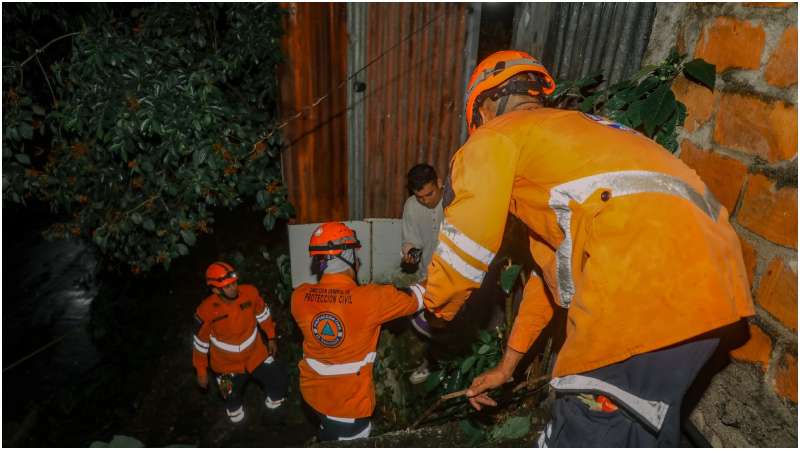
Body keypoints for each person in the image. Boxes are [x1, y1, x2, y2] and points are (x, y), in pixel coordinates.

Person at [421, 50, 754, 447]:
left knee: (582, 431)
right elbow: (551, 281)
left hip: (636, 291)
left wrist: (433, 312)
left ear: (485, 108)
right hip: (714, 294)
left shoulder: (496, 135)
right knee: (639, 428)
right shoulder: (585, 139)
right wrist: (508, 366)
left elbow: (466, 247)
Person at [291, 222, 426, 441]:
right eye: (354, 252)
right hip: (349, 409)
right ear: (346, 254)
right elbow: (420, 296)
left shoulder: (299, 297)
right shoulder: (370, 299)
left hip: (312, 395)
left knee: (327, 433)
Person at [192, 261, 288, 424]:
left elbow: (263, 314)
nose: (234, 288)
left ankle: (272, 415)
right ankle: (238, 424)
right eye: (228, 286)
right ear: (216, 289)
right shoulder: (206, 310)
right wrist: (201, 372)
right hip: (224, 367)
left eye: (234, 283)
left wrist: (271, 337)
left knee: (279, 382)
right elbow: (200, 344)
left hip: (256, 355)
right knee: (230, 398)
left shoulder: (250, 293)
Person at [401, 163, 444, 279]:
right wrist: (410, 253)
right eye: (419, 197)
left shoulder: (454, 203)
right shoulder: (411, 205)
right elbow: (411, 240)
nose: (426, 200)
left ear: (439, 183)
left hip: (454, 278)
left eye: (430, 194)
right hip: (426, 276)